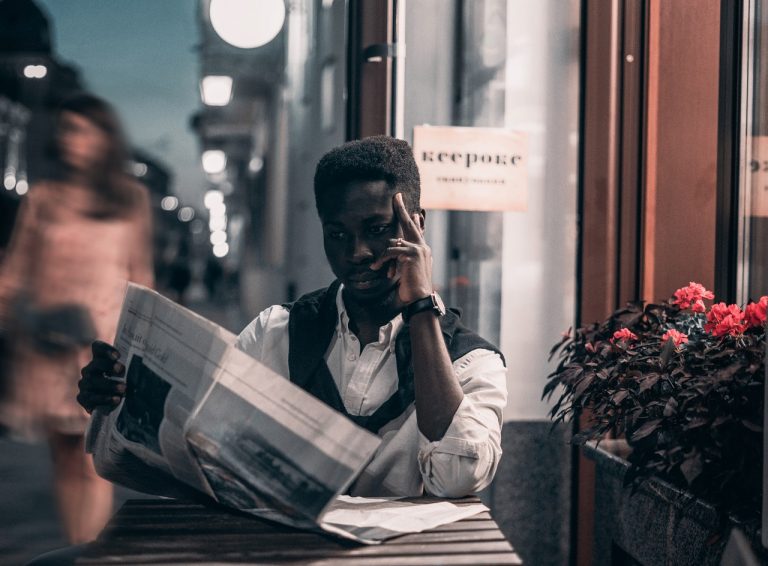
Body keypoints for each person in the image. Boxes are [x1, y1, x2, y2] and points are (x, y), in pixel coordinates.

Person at [79, 136, 506, 498]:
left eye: (377, 229)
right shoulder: (276, 332)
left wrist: (420, 308)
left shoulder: (471, 360)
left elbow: (459, 477)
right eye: (337, 234)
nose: (356, 253)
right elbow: (199, 441)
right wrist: (121, 398)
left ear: (416, 225)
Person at [0, 93, 154, 543]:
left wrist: (143, 345)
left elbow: (140, 275)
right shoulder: (43, 199)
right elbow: (15, 271)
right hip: (46, 346)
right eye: (65, 130)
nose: (71, 140)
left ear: (105, 139)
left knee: (94, 459)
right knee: (65, 459)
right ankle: (77, 547)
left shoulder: (129, 199)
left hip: (100, 347)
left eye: (81, 130)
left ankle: (91, 550)